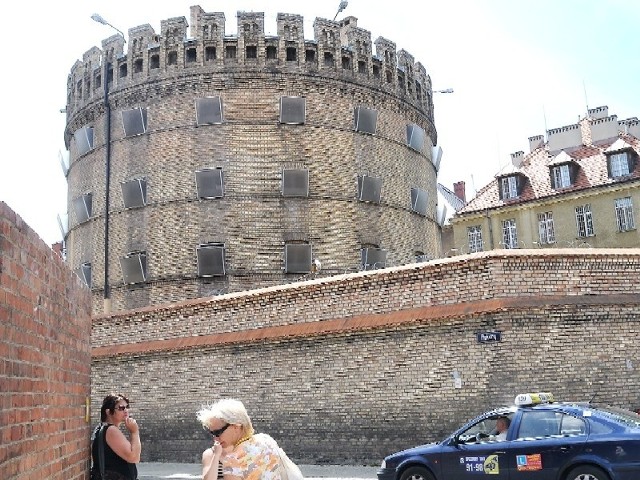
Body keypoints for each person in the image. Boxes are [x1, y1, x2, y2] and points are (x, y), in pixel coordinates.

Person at [196, 398, 297, 480]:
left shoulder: (233, 460)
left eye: (218, 432)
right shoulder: (266, 440)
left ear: (236, 426)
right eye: (212, 433)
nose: (215, 438)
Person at [91, 393, 141, 480]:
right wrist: (134, 432)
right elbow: (134, 457)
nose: (126, 411)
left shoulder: (102, 429)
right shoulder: (111, 431)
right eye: (121, 408)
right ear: (108, 412)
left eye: (127, 407)